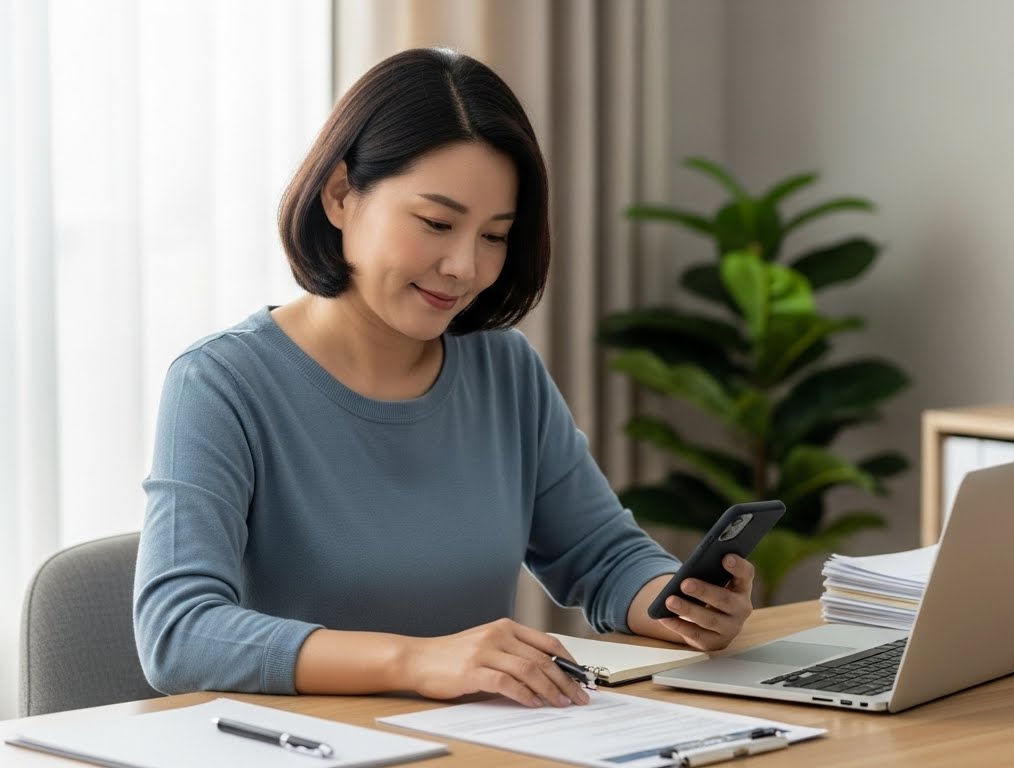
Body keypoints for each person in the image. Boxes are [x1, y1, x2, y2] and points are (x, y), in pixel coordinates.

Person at [133, 47, 754, 710]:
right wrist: (416, 660)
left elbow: (602, 557)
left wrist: (675, 601)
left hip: (478, 746)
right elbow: (178, 632)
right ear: (340, 195)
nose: (465, 266)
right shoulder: (221, 383)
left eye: (494, 236)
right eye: (436, 223)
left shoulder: (504, 369)